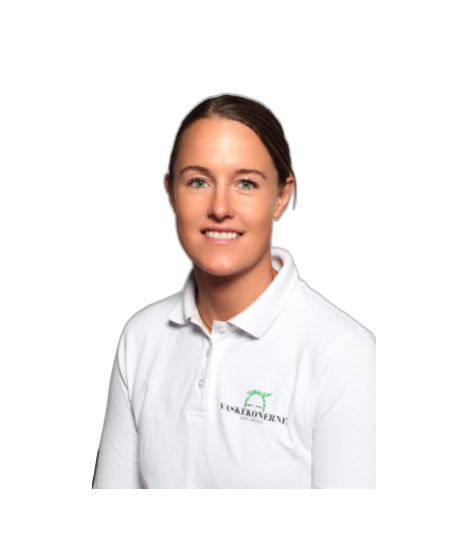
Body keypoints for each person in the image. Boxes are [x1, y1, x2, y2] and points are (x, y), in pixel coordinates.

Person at [92, 94, 376, 489]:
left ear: (280, 196)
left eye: (246, 183)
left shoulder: (343, 354)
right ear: (171, 192)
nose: (220, 207)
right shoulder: (141, 336)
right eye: (198, 181)